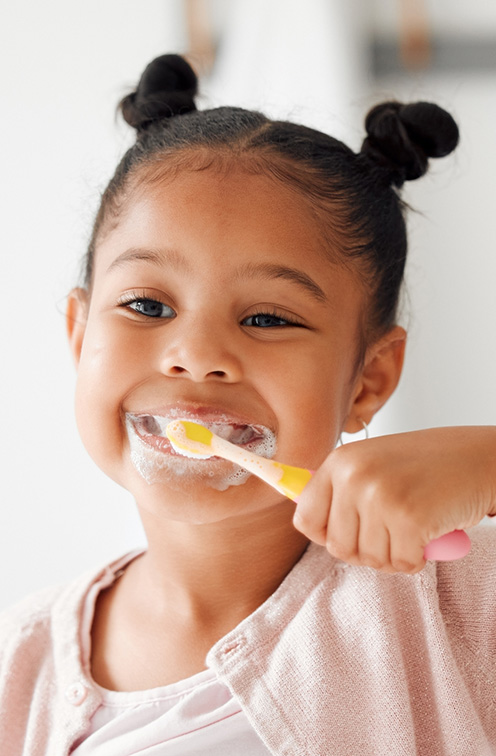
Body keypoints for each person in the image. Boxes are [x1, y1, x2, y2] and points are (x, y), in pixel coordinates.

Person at [0, 54, 495, 755]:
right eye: (146, 305)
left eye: (267, 319)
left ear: (369, 382)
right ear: (81, 338)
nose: (196, 354)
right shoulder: (21, 668)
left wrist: (488, 463)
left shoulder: (455, 599)